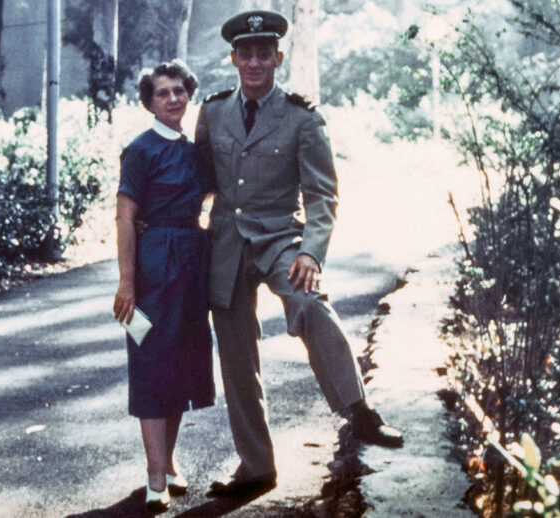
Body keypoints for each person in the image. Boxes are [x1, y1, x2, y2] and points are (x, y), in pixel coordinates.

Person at [195, 10, 404, 497]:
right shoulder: (211, 112)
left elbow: (323, 194)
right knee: (236, 356)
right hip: (225, 242)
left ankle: (359, 412)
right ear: (233, 59)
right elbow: (199, 179)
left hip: (278, 238)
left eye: (263, 54)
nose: (253, 62)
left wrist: (311, 251)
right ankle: (256, 466)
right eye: (245, 54)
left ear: (278, 58)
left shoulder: (301, 116)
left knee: (310, 303)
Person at [113, 60, 215, 512]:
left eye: (179, 91)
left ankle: (169, 463)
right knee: (152, 363)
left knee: (182, 364)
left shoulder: (196, 150)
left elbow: (211, 194)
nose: (173, 99)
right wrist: (127, 283)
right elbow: (125, 217)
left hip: (193, 262)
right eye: (162, 93)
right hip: (155, 266)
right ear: (149, 102)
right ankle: (155, 476)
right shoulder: (140, 149)